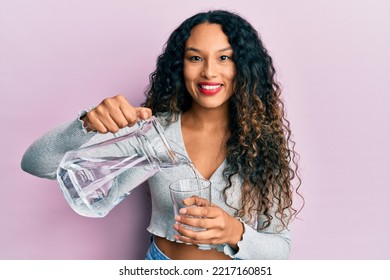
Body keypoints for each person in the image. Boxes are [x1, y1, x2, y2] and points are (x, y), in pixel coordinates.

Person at [21, 10, 301, 260]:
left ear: (244, 68)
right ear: (181, 66)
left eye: (224, 57)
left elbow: (280, 249)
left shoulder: (262, 144)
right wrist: (86, 123)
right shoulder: (151, 132)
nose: (209, 72)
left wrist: (234, 232)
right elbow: (36, 163)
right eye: (195, 58)